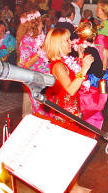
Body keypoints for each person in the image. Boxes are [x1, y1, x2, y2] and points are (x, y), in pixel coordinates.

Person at [43, 28, 94, 193]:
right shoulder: (58, 65)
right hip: (66, 114)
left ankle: (74, 186)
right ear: (58, 45)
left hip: (72, 109)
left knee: (73, 152)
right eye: (66, 40)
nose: (70, 42)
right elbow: (71, 89)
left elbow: (74, 77)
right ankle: (70, 188)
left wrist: (79, 58)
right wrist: (84, 68)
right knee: (69, 154)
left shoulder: (63, 62)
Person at [17, 10, 50, 117]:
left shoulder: (42, 37)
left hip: (46, 78)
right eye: (41, 23)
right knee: (40, 110)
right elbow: (26, 64)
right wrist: (40, 52)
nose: (42, 25)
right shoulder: (26, 40)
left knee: (48, 108)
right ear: (34, 26)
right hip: (35, 80)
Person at [0, 20, 17, 93]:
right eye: (0, 26)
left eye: (3, 26)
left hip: (8, 60)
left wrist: (5, 58)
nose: (2, 28)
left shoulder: (10, 38)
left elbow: (13, 51)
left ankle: (5, 91)